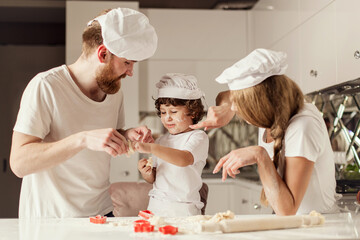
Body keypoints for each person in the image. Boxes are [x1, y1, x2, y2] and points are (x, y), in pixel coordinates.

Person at [9, 8, 158, 218]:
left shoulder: (114, 92)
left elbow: (107, 137)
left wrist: (126, 136)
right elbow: (19, 163)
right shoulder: (46, 86)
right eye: (127, 63)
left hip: (102, 214)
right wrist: (82, 139)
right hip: (52, 220)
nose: (130, 72)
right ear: (103, 53)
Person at [191, 48, 338, 215]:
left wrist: (259, 155)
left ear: (261, 103)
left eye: (241, 103)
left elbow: (287, 210)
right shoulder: (275, 109)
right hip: (291, 226)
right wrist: (226, 108)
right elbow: (224, 96)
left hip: (315, 227)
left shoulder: (302, 128)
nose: (235, 108)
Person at [135, 73, 209, 217]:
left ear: (192, 112)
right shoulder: (161, 141)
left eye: (174, 112)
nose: (167, 117)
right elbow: (154, 178)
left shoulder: (197, 137)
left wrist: (151, 148)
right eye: (163, 112)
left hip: (184, 210)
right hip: (156, 207)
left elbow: (183, 159)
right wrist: (146, 172)